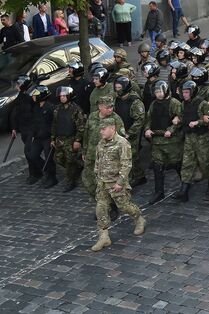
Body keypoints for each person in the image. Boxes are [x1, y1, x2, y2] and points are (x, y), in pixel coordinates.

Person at [90, 117, 146, 252]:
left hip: (116, 184)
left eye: (104, 129)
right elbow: (98, 162)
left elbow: (126, 164)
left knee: (125, 206)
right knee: (100, 209)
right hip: (103, 183)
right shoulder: (101, 144)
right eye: (100, 129)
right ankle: (104, 237)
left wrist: (120, 182)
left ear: (112, 128)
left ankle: (138, 218)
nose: (101, 132)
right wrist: (97, 177)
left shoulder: (122, 143)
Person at [143, 80, 183, 204]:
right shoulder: (153, 104)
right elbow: (148, 118)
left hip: (171, 142)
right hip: (157, 140)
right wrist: (147, 129)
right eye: (156, 92)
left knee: (177, 164)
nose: (158, 94)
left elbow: (180, 118)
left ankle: (185, 186)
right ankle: (159, 192)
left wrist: (171, 130)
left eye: (160, 91)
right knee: (157, 166)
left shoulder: (174, 103)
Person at [50, 86, 86, 193]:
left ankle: (70, 180)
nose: (62, 98)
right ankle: (78, 166)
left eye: (64, 96)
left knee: (70, 161)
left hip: (71, 139)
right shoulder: (57, 109)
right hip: (60, 139)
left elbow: (81, 127)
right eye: (60, 96)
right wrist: (53, 138)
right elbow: (54, 125)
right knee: (58, 159)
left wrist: (78, 140)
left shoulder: (76, 109)